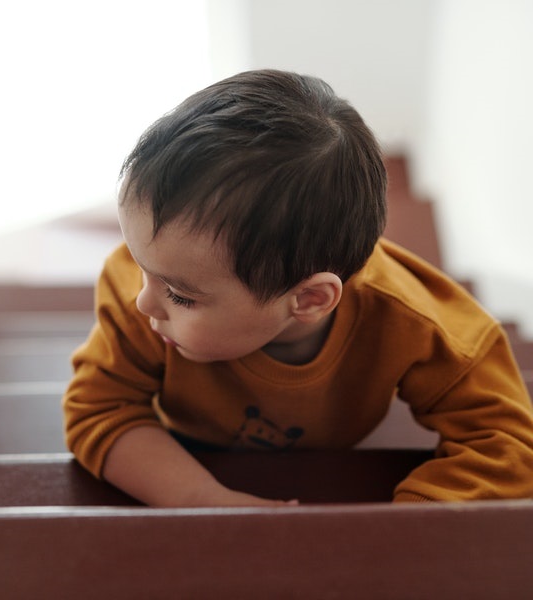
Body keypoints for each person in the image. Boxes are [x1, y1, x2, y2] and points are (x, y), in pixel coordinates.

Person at [62, 69, 533, 506]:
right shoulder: (148, 283)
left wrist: (401, 525)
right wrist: (201, 500)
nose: (144, 300)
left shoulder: (418, 321)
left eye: (181, 295)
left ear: (308, 299)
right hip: (189, 445)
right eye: (142, 264)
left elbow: (507, 441)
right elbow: (100, 409)